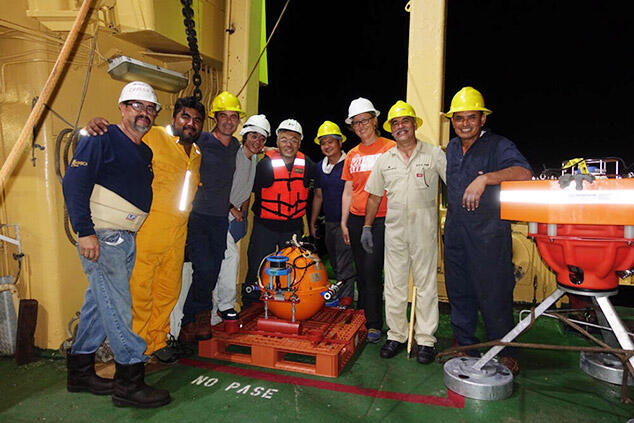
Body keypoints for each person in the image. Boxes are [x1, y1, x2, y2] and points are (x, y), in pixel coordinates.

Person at [62, 81, 171, 408]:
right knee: (120, 308)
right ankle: (129, 382)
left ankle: (80, 371)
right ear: (122, 108)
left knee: (100, 303)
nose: (145, 113)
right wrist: (85, 231)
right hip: (104, 236)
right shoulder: (101, 137)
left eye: (150, 108)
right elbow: (74, 183)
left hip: (126, 238)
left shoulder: (144, 149)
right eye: (137, 105)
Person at [84, 97, 205, 364]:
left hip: (177, 234)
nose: (190, 123)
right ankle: (135, 349)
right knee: (140, 291)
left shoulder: (196, 153)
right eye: (185, 117)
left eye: (197, 120)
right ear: (174, 118)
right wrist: (93, 127)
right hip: (148, 229)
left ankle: (157, 341)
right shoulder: (153, 136)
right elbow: (122, 135)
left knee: (168, 291)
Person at [443, 86, 533, 375]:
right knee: (459, 291)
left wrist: (487, 180)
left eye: (471, 117)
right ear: (452, 121)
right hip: (456, 232)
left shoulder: (497, 145)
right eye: (459, 118)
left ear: (482, 119)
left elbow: (523, 172)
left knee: (494, 294)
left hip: (489, 234)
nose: (464, 123)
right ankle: (466, 345)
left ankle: (505, 351)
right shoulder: (453, 148)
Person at [363, 101, 446, 363]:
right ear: (391, 128)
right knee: (394, 286)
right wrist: (366, 226)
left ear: (414, 124)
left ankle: (425, 340)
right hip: (395, 232)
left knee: (426, 286)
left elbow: (453, 187)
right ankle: (396, 335)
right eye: (395, 124)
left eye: (404, 122)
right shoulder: (385, 160)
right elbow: (374, 197)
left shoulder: (434, 155)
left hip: (424, 231)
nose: (400, 127)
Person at [179, 91, 244, 343]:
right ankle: (189, 320)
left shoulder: (236, 146)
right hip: (198, 215)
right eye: (224, 116)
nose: (229, 121)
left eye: (233, 116)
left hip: (220, 217)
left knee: (213, 268)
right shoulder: (202, 140)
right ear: (215, 118)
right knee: (203, 269)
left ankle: (200, 318)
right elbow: (173, 138)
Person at [242, 119, 315, 304]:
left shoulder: (308, 165)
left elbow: (319, 192)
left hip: (292, 229)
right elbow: (247, 190)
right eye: (284, 139)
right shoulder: (264, 164)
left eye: (293, 140)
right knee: (258, 266)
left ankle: (284, 304)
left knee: (290, 269)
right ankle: (251, 303)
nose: (288, 144)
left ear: (300, 142)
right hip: (265, 225)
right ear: (277, 141)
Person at [340, 98, 395, 343]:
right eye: (356, 122)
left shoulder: (390, 148)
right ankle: (364, 315)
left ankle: (374, 324)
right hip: (355, 219)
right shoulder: (352, 155)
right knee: (362, 271)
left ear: (375, 120)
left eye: (365, 120)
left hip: (383, 219)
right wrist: (344, 221)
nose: (361, 125)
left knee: (373, 271)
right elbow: (348, 191)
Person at [211, 115, 270, 325]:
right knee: (230, 258)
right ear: (245, 135)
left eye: (262, 139)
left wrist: (242, 214)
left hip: (233, 216)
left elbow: (246, 189)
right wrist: (231, 208)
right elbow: (215, 184)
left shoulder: (253, 158)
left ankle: (214, 313)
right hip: (217, 212)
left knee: (220, 260)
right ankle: (226, 305)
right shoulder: (233, 154)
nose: (257, 141)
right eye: (254, 136)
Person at [309, 121, 356, 307]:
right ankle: (342, 293)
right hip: (329, 222)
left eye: (331, 142)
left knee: (344, 263)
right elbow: (318, 195)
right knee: (335, 262)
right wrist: (312, 222)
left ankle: (346, 301)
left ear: (340, 142)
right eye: (323, 143)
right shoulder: (320, 167)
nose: (327, 146)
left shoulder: (350, 163)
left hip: (348, 222)